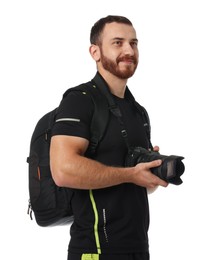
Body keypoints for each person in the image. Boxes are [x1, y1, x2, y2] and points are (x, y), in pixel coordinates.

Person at [50, 15, 168, 260]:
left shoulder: (138, 111)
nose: (129, 50)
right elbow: (62, 170)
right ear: (95, 52)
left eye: (133, 43)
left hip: (138, 249)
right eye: (118, 42)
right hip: (95, 251)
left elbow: (134, 186)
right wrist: (130, 174)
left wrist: (150, 174)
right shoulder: (80, 100)